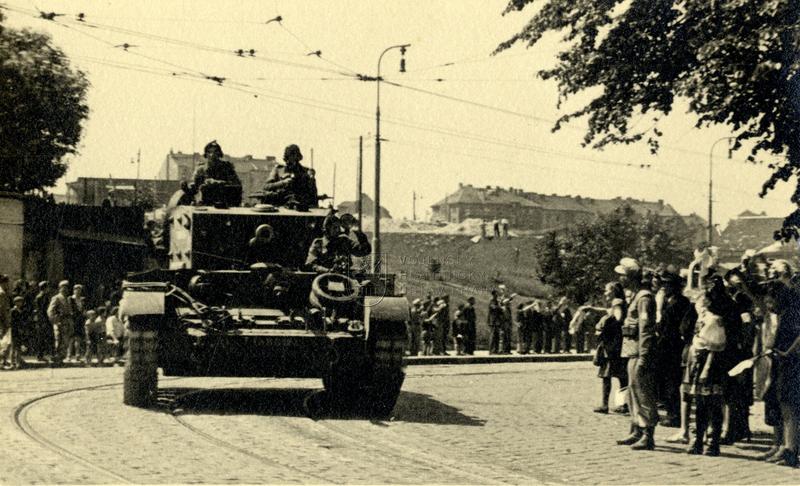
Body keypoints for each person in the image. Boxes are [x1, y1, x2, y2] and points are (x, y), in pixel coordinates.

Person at [683, 274, 730, 456]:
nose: (697, 304)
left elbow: (715, 347)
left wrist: (706, 369)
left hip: (709, 364)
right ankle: (698, 438)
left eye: (700, 301)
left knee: (712, 403)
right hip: (697, 361)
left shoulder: (714, 320)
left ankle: (713, 441)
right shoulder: (701, 318)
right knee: (700, 404)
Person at [615, 257, 659, 451]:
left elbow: (645, 329)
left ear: (631, 277)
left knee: (643, 393)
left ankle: (648, 434)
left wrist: (644, 355)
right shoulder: (635, 295)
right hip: (631, 351)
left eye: (623, 275)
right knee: (633, 392)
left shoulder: (644, 298)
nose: (620, 278)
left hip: (640, 353)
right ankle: (636, 429)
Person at [761, 260, 800, 467]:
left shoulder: (792, 313)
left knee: (790, 407)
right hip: (782, 359)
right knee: (784, 406)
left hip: (791, 361)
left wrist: (788, 351)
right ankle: (786, 447)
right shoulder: (786, 313)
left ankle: (791, 449)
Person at [656, 271, 696, 429]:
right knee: (668, 381)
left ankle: (674, 415)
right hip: (668, 346)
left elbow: (671, 326)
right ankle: (672, 413)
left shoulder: (678, 303)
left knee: (672, 381)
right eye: (664, 284)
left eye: (668, 285)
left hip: (672, 347)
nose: (664, 287)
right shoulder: (672, 301)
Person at [592, 283, 629, 414]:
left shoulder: (617, 302)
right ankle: (623, 404)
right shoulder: (620, 302)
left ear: (613, 291)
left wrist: (606, 320)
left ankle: (604, 404)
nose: (605, 293)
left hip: (612, 344)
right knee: (622, 375)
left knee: (606, 375)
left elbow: (618, 318)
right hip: (618, 343)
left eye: (607, 290)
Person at [306, 212, 371, 273]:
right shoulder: (318, 243)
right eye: (334, 228)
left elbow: (364, 251)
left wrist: (358, 232)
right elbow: (310, 264)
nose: (338, 230)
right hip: (324, 279)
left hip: (344, 279)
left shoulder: (344, 241)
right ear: (327, 229)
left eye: (338, 227)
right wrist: (328, 271)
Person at [186, 140, 242, 207]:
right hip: (205, 204)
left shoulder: (227, 168)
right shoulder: (201, 170)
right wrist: (187, 187)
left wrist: (218, 183)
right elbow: (194, 187)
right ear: (206, 154)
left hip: (226, 203)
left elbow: (236, 185)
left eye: (215, 152)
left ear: (219, 154)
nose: (212, 155)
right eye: (209, 152)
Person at [262, 144, 318, 209]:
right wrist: (283, 183)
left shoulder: (306, 172)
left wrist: (311, 180)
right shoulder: (278, 170)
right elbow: (266, 186)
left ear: (297, 157)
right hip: (281, 204)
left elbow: (313, 195)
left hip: (301, 205)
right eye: (288, 156)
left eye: (293, 155)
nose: (290, 160)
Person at [47, 280, 73, 365]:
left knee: (65, 341)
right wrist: (55, 321)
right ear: (60, 288)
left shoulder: (68, 299)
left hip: (67, 321)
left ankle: (61, 358)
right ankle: (56, 359)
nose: (65, 289)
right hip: (60, 322)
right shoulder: (57, 298)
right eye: (63, 287)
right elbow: (50, 311)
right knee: (59, 340)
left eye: (66, 287)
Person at [33, 281, 53, 362]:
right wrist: (43, 321)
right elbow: (40, 310)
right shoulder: (41, 297)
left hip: (44, 320)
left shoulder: (43, 296)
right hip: (43, 320)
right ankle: (40, 355)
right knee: (42, 338)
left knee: (44, 338)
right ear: (45, 288)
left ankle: (42, 355)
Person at [68, 284, 86, 362]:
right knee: (71, 338)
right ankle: (69, 355)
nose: (78, 291)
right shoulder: (70, 299)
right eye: (76, 290)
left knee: (78, 338)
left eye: (79, 290)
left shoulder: (82, 299)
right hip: (72, 320)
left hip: (80, 320)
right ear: (74, 290)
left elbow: (84, 309)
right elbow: (69, 309)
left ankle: (77, 355)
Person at [6, 296, 26, 369]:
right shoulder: (13, 311)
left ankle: (18, 363)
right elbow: (12, 322)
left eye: (21, 302)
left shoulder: (20, 310)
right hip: (14, 331)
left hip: (19, 330)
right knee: (13, 347)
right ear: (15, 302)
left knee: (18, 347)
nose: (20, 303)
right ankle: (12, 363)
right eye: (19, 301)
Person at [488, 290, 503, 354]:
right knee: (493, 336)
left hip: (497, 321)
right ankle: (492, 350)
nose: (497, 295)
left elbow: (500, 311)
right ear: (493, 294)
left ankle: (496, 350)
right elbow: (494, 308)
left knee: (497, 336)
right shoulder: (492, 301)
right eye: (496, 294)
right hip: (493, 321)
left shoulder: (497, 301)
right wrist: (500, 306)